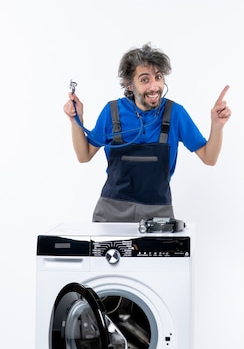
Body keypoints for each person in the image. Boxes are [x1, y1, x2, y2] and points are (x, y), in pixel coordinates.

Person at [63, 43, 231, 222]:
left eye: (158, 77)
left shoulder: (175, 113)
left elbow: (209, 158)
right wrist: (76, 120)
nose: (154, 86)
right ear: (129, 84)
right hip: (111, 212)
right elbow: (84, 155)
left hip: (158, 215)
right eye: (144, 80)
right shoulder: (112, 112)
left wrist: (217, 126)